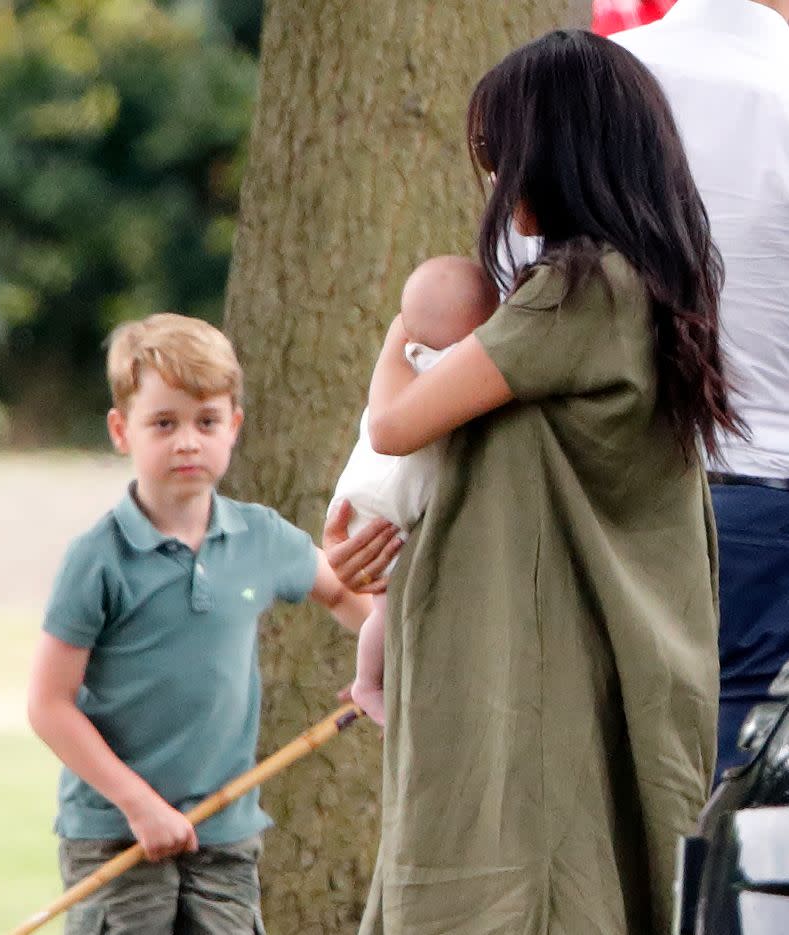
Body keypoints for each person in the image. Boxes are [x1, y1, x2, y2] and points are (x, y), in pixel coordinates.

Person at [324, 30, 744, 935]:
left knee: (508, 877)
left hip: (537, 660)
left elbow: (400, 423)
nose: (490, 181)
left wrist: (402, 334)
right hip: (597, 644)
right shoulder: (652, 289)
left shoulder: (575, 293)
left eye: (496, 156)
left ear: (553, 157)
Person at [26, 313, 370, 935]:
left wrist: (380, 663)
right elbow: (49, 706)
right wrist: (139, 805)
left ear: (233, 427)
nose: (188, 441)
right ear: (120, 430)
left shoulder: (261, 537)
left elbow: (347, 595)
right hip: (116, 833)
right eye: (164, 422)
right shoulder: (98, 559)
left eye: (206, 421)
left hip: (226, 832)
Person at [611, 0, 789, 783]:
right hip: (763, 492)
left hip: (597, 488)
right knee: (733, 806)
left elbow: (503, 306)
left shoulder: (584, 86)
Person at [327, 255, 498, 726]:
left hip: (364, 495)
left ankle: (373, 678)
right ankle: (367, 681)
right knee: (385, 608)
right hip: (385, 509)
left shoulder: (411, 354)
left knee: (387, 607)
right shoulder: (451, 363)